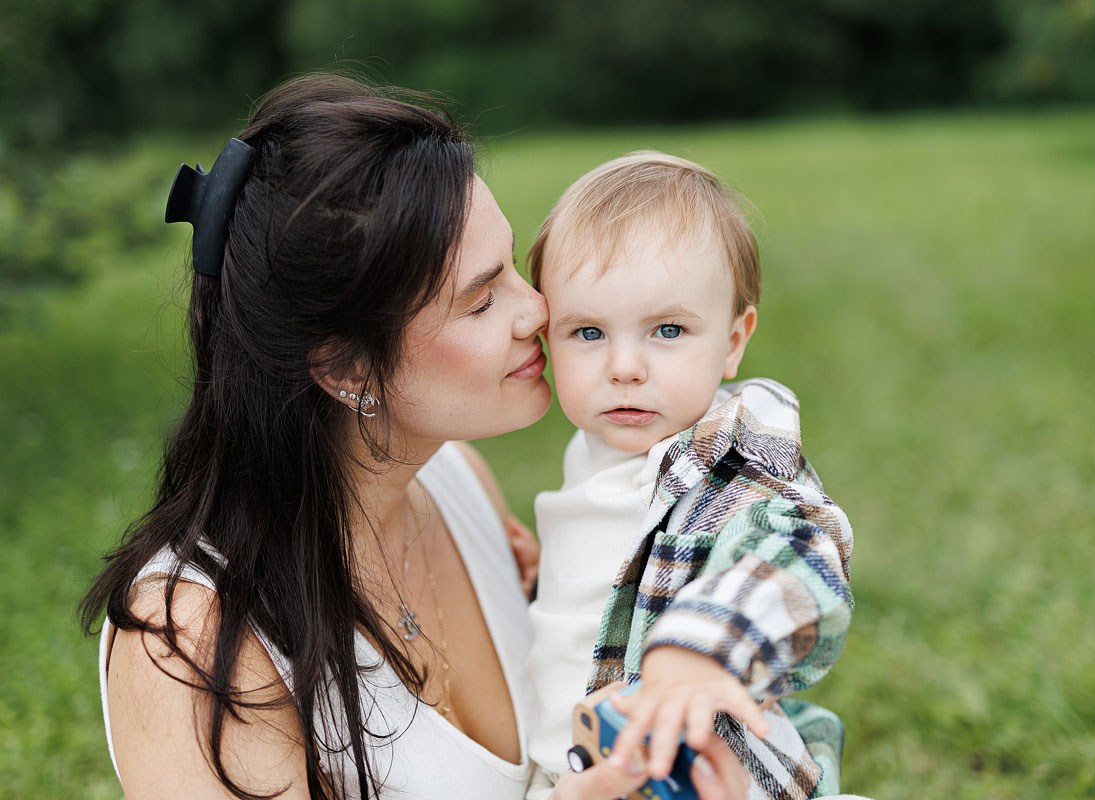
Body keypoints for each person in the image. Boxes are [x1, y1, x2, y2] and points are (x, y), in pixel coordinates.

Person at [80, 76, 752, 800]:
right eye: (483, 298)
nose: (540, 311)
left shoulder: (458, 481)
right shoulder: (193, 646)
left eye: (514, 267)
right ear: (345, 366)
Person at [523, 152, 858, 799]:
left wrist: (696, 652)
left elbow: (799, 548)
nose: (624, 366)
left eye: (668, 329)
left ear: (734, 340)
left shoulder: (725, 460)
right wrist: (537, 575)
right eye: (587, 331)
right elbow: (611, 576)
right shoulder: (596, 453)